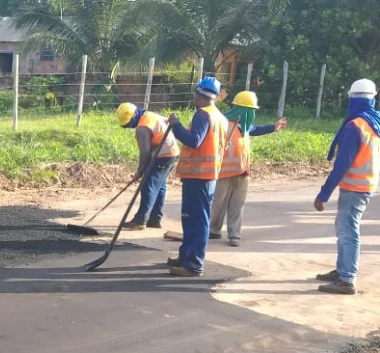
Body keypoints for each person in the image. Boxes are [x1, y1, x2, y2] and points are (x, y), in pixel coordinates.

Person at [313, 78, 380, 295]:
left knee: (348, 231)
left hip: (354, 186)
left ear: (352, 98)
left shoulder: (355, 125)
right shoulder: (374, 122)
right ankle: (342, 270)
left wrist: (323, 194)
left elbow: (342, 164)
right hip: (367, 184)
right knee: (344, 229)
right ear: (373, 98)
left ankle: (347, 278)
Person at [166, 77, 229, 277]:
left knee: (197, 220)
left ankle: (193, 264)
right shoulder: (220, 117)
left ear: (199, 94)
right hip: (206, 176)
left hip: (199, 177)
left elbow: (194, 141)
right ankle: (186, 256)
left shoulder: (203, 115)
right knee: (191, 218)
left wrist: (176, 126)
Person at [210, 91, 287, 247]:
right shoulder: (224, 125)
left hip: (242, 173)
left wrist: (274, 127)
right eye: (250, 110)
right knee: (219, 203)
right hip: (224, 173)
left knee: (237, 204)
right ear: (241, 110)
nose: (251, 113)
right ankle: (214, 229)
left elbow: (256, 129)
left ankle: (234, 235)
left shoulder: (245, 127)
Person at [116, 102, 180, 230]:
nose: (129, 127)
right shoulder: (149, 115)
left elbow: (144, 152)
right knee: (159, 186)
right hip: (172, 153)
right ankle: (154, 219)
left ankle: (141, 220)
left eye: (128, 124)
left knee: (148, 186)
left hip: (163, 156)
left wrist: (140, 171)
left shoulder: (142, 129)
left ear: (132, 118)